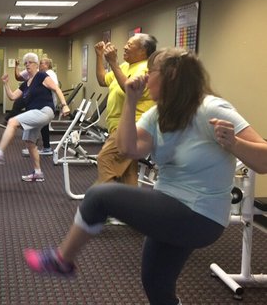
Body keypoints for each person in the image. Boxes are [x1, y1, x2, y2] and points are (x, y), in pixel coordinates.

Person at [24, 48, 267, 305]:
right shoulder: (157, 114)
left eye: (150, 72)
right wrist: (130, 100)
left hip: (201, 215)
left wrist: (235, 144)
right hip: (170, 206)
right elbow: (128, 149)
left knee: (99, 196)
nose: (145, 78)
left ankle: (63, 260)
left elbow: (263, 161)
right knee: (156, 285)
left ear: (170, 75)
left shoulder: (211, 108)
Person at [0, 52, 70, 182]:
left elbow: (56, 88)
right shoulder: (26, 84)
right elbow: (12, 96)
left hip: (45, 111)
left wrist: (64, 105)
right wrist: (5, 84)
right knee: (29, 142)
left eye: (30, 62)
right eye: (25, 62)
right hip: (35, 113)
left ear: (37, 64)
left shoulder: (42, 76)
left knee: (12, 121)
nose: (27, 64)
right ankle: (38, 172)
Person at [94, 33, 158, 186]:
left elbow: (131, 89)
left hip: (133, 126)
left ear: (143, 51)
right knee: (127, 174)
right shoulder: (124, 66)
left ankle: (106, 200)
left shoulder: (146, 69)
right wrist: (100, 56)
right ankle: (129, 207)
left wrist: (113, 62)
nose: (124, 47)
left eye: (130, 45)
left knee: (105, 159)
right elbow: (103, 80)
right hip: (117, 125)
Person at [17, 57, 58, 155]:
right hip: (42, 103)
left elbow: (55, 86)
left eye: (42, 63)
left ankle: (35, 146)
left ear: (47, 65)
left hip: (47, 103)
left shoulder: (49, 73)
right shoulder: (40, 74)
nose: (40, 65)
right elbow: (19, 77)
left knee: (37, 124)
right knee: (43, 126)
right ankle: (44, 147)